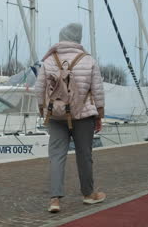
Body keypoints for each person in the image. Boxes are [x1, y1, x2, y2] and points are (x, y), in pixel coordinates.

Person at [35, 23, 106, 213]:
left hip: (57, 115)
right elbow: (98, 91)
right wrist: (99, 115)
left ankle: (55, 200)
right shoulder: (88, 60)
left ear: (62, 37)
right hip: (83, 116)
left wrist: (43, 110)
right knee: (84, 155)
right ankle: (88, 195)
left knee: (56, 156)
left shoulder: (49, 60)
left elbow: (39, 88)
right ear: (78, 38)